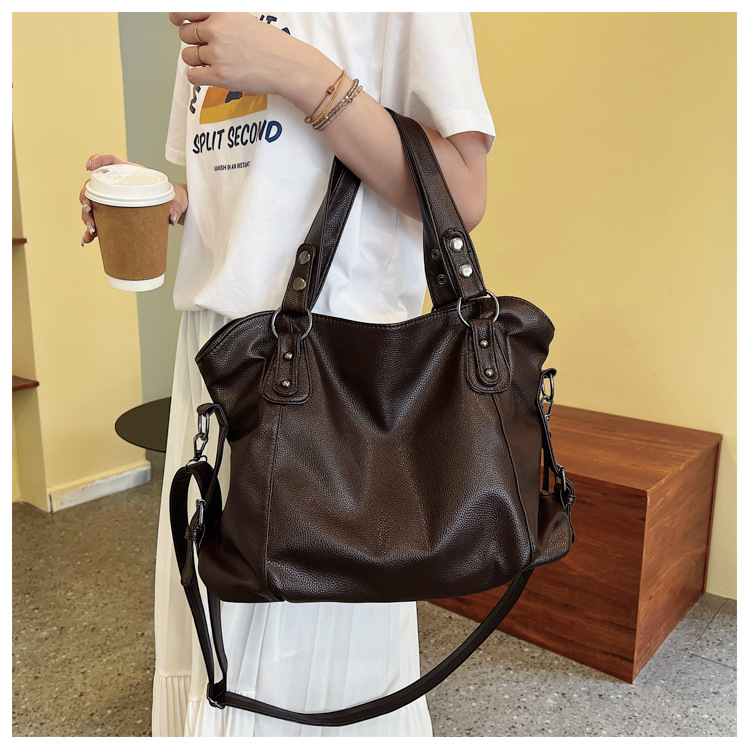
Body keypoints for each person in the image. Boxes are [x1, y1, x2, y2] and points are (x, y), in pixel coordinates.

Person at [80, 11, 494, 737]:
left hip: (338, 371)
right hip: (215, 352)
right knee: (212, 633)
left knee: (299, 673)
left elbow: (462, 193)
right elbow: (249, 191)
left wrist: (295, 70)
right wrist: (165, 200)